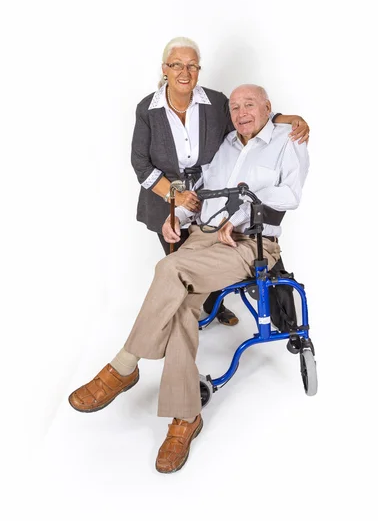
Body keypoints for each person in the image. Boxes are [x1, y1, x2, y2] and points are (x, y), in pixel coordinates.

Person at [69, 84, 310, 474]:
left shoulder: (289, 139)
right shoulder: (228, 143)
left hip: (249, 244)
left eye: (250, 104)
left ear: (268, 107)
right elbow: (200, 194)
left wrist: (241, 217)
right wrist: (175, 219)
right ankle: (186, 417)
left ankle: (124, 366)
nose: (240, 112)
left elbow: (289, 195)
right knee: (182, 309)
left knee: (169, 268)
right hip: (203, 237)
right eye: (233, 106)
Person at [131, 36, 310, 326]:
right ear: (164, 68)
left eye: (192, 65)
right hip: (166, 199)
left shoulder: (215, 102)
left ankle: (216, 307)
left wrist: (289, 119)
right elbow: (140, 163)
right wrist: (175, 199)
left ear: (199, 70)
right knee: (178, 262)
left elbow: (248, 119)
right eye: (176, 64)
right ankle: (191, 313)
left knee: (209, 263)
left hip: (213, 195)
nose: (184, 72)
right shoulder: (147, 109)